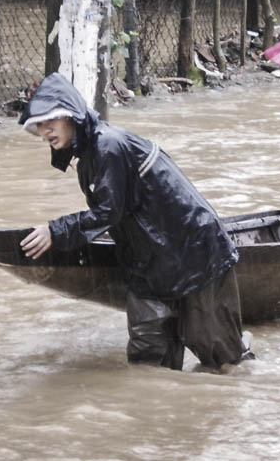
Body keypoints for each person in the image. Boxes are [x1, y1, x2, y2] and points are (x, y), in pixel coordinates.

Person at [17, 73, 249, 372]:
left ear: (71, 116)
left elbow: (108, 212)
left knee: (222, 357)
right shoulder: (88, 154)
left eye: (51, 121)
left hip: (194, 252)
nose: (44, 130)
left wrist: (55, 230)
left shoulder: (107, 146)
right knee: (148, 362)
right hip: (147, 260)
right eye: (38, 126)